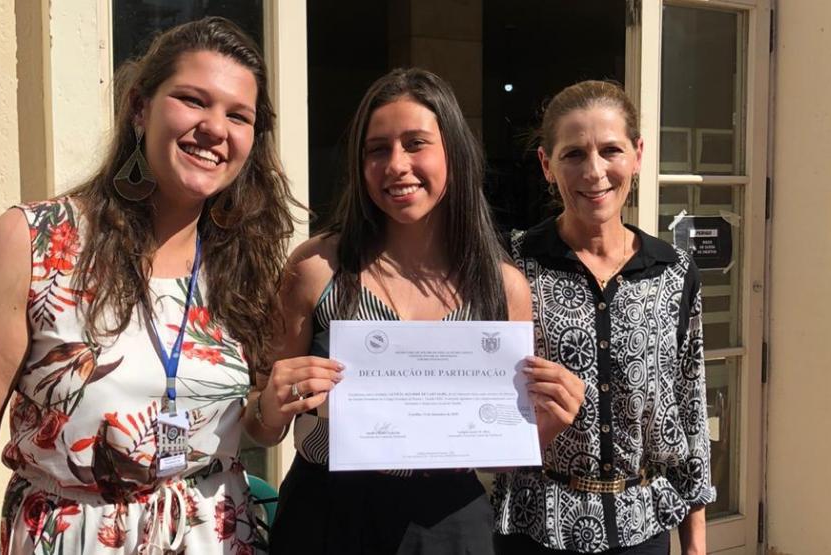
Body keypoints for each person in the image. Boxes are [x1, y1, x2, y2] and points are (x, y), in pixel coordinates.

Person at [0, 17, 296, 554]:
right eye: (193, 100)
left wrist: (269, 409)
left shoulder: (240, 265)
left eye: (238, 115)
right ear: (140, 107)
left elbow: (236, 420)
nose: (215, 128)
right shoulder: (34, 242)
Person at [239, 68, 584, 554]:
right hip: (327, 513)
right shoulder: (317, 268)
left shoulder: (501, 287)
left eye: (416, 143)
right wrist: (271, 405)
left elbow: (499, 454)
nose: (396, 165)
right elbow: (260, 425)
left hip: (447, 521)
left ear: (453, 153)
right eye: (377, 149)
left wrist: (547, 423)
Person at [492, 81, 715, 555]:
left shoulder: (674, 273)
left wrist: (695, 546)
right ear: (546, 165)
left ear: (637, 154)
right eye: (574, 154)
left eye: (611, 150)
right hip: (536, 528)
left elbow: (691, 412)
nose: (594, 172)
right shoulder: (512, 266)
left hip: (643, 528)